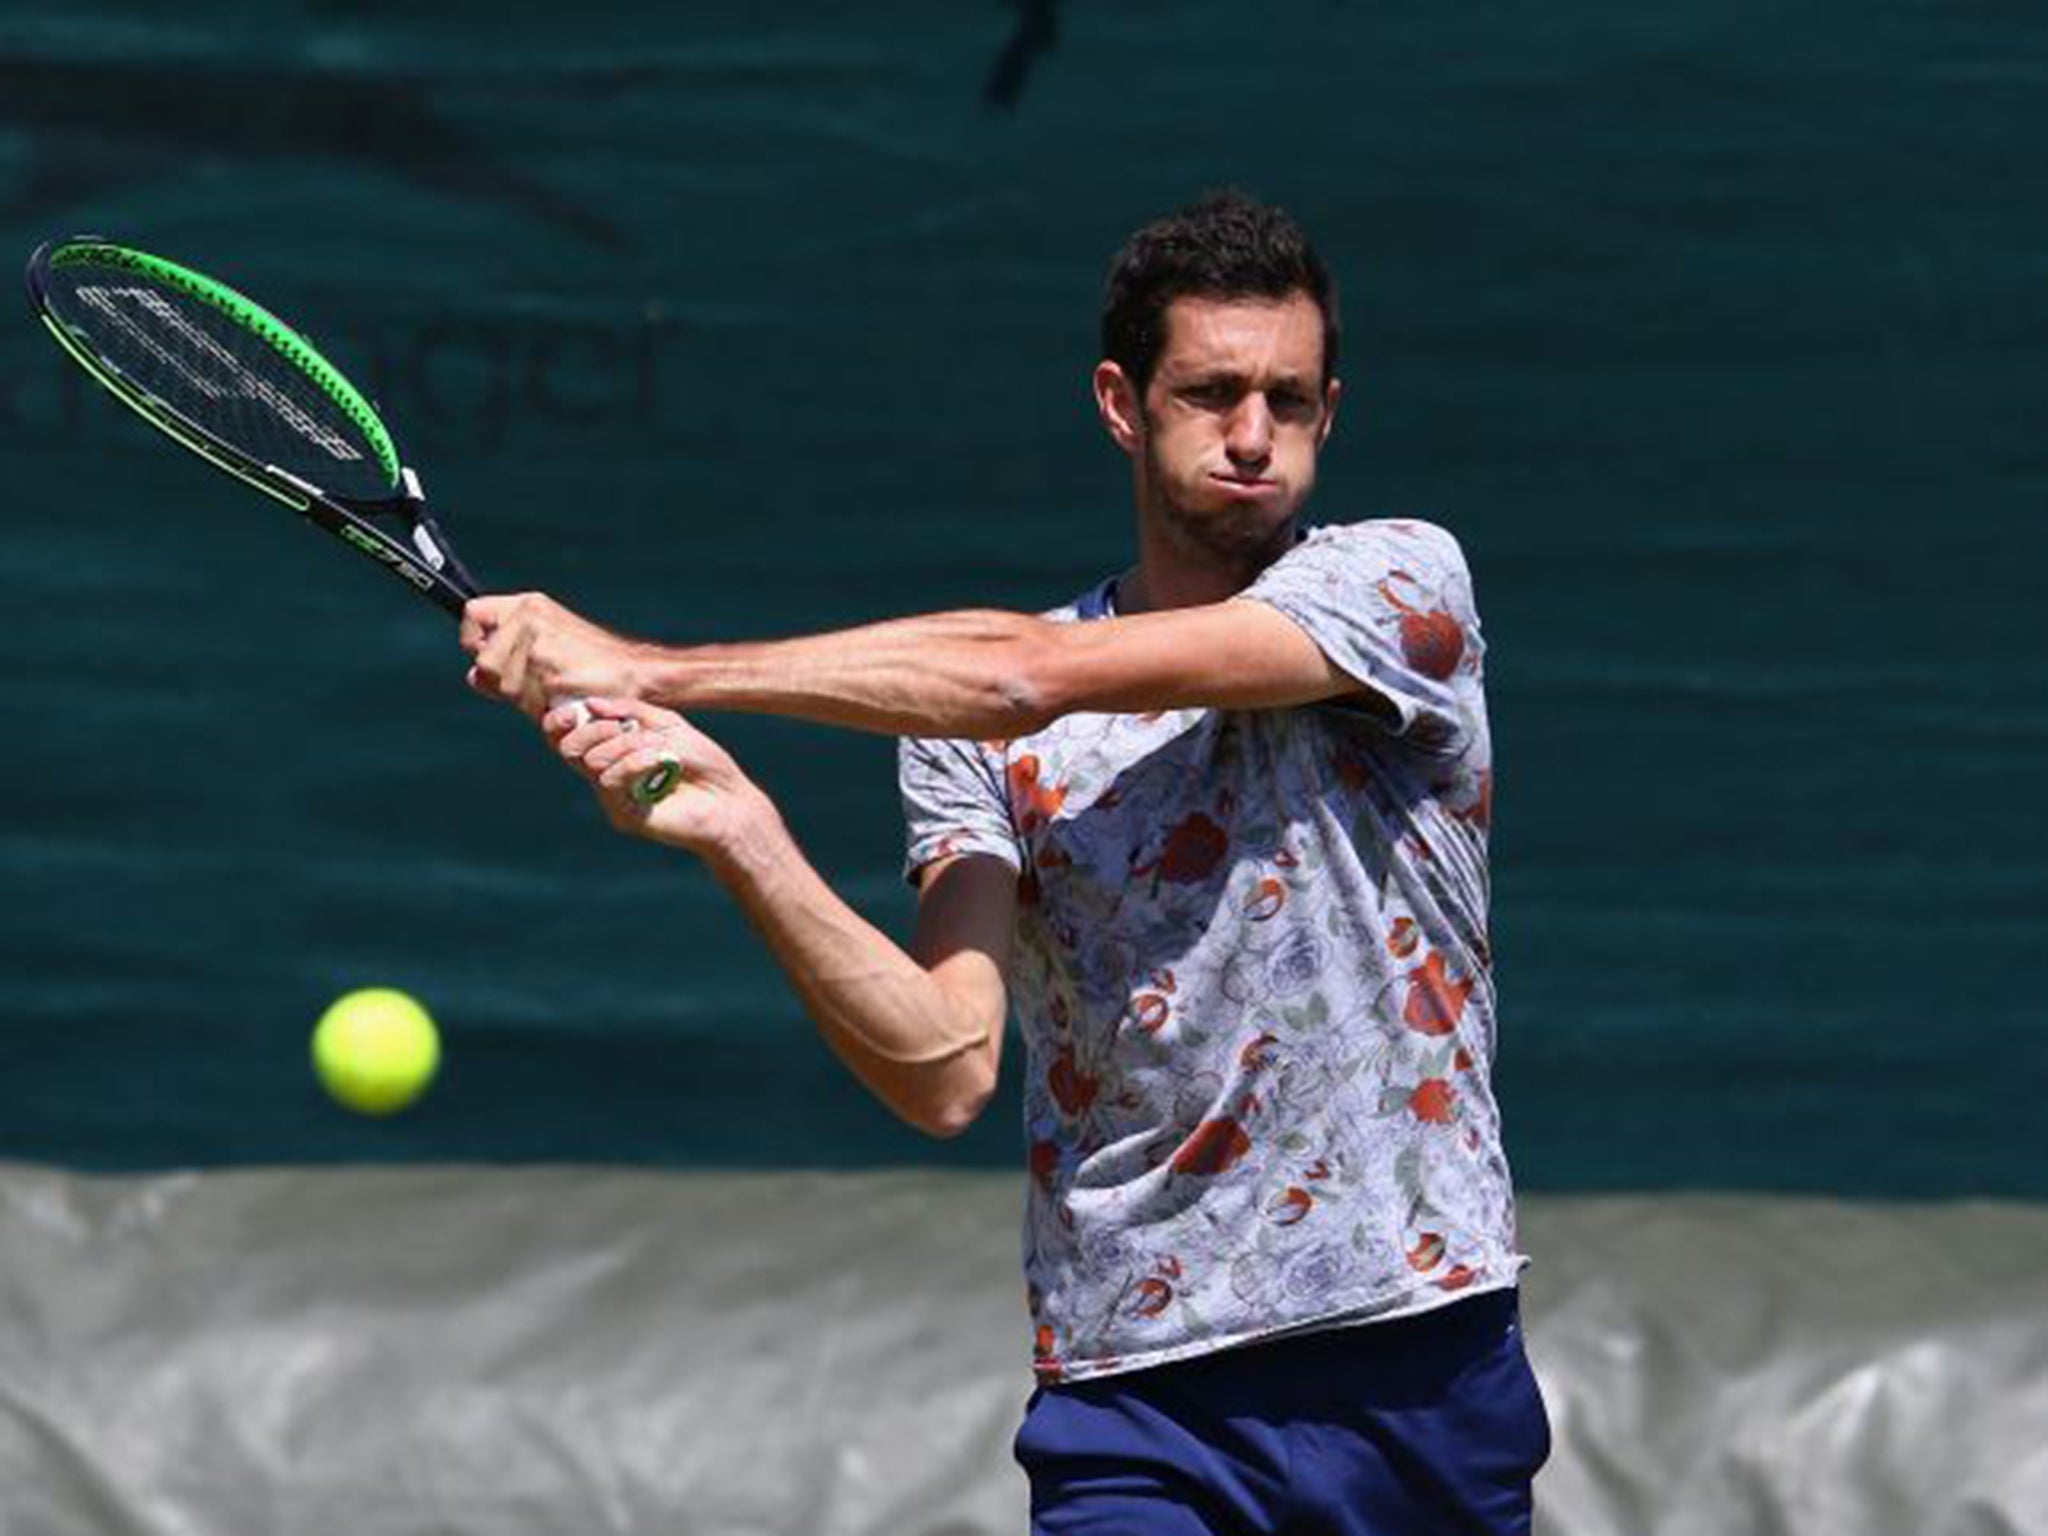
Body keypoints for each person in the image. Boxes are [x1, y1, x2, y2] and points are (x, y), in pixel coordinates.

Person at [460, 189, 1549, 1534]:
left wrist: (653, 667)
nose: (1255, 436)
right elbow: (944, 1067)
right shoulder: (971, 745)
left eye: (1291, 398)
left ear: (1331, 408)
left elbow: (1026, 675)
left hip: (1412, 1363)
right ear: (1120, 402)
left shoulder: (1398, 587)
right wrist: (743, 832)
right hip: (1134, 1397)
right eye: (1211, 393)